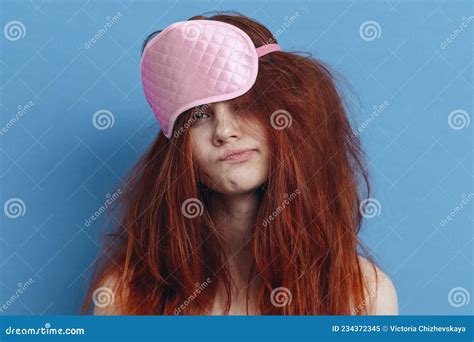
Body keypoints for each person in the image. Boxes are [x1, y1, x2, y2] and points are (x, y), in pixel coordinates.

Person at [82, 12, 398, 316]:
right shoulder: (126, 296)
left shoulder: (363, 294)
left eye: (245, 106)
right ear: (179, 149)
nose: (224, 131)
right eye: (199, 116)